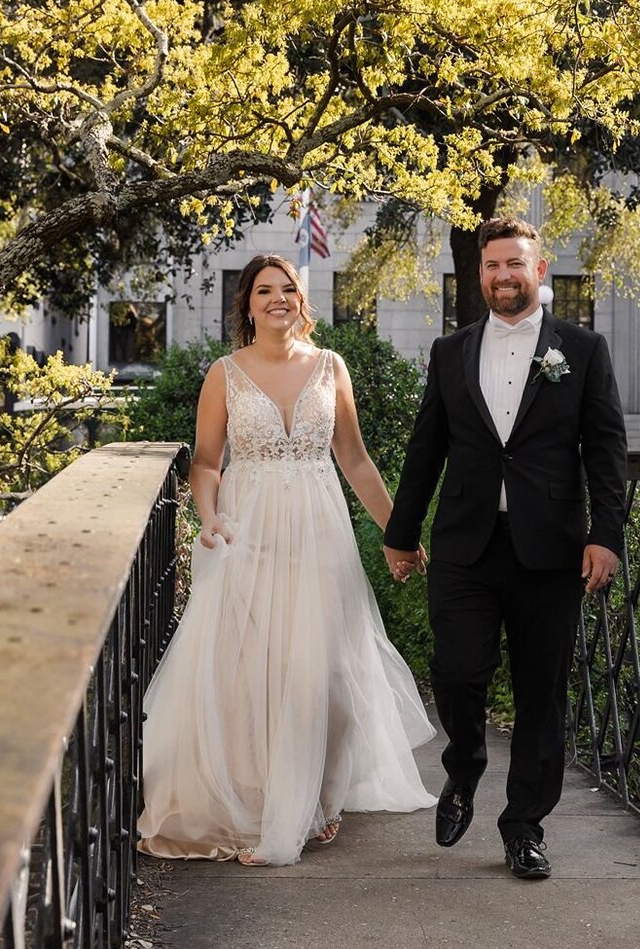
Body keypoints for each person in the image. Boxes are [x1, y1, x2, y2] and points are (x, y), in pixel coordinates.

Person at [137, 254, 435, 866]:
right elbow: (205, 463)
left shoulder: (330, 367)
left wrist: (397, 533)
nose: (278, 299)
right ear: (246, 305)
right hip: (250, 531)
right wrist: (210, 516)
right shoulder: (225, 373)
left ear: (302, 300)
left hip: (320, 534)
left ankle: (320, 797)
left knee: (324, 670)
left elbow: (354, 460)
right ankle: (257, 801)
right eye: (264, 291)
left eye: (288, 289)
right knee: (252, 671)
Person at [383, 217, 627, 881]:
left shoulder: (582, 348)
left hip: (550, 549)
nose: (503, 276)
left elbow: (606, 449)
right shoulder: (450, 350)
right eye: (492, 265)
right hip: (466, 543)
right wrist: (401, 534)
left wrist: (607, 533)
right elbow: (426, 446)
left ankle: (524, 825)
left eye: (515, 264)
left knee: (540, 695)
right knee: (459, 669)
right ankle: (463, 770)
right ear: (479, 273)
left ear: (539, 270)